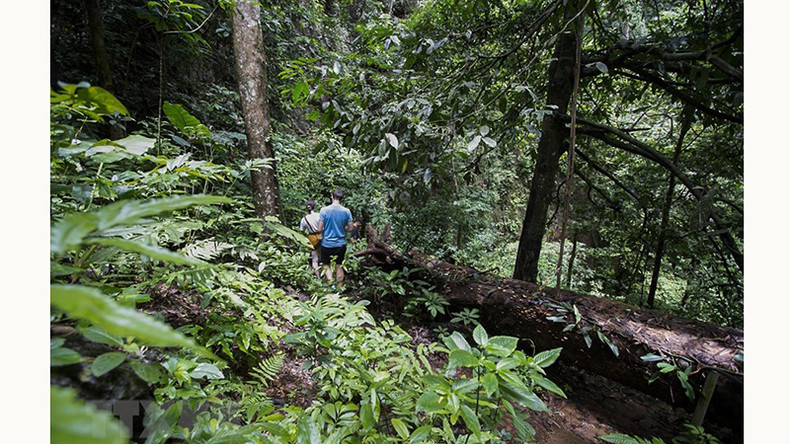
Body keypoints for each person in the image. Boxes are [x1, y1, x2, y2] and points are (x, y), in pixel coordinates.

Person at [317, 189, 354, 286]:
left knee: (326, 264)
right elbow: (351, 228)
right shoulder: (346, 211)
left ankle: (331, 285)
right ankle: (339, 288)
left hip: (326, 244)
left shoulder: (324, 210)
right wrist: (342, 228)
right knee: (339, 265)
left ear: (332, 196)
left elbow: (319, 229)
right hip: (340, 244)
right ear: (342, 199)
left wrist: (327, 228)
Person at [299, 199, 322, 278]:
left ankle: (318, 277)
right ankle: (326, 276)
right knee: (323, 256)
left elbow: (302, 231)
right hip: (321, 236)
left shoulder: (304, 219)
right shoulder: (319, 215)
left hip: (311, 238)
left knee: (314, 260)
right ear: (314, 206)